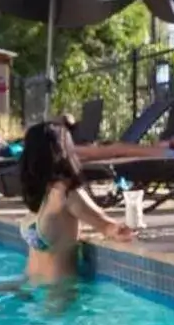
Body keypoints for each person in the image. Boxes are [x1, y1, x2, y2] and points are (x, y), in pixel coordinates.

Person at [17, 118, 133, 282]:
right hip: (32, 285)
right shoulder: (45, 193)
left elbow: (104, 224)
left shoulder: (68, 194)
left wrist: (118, 230)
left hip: (59, 294)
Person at [72, 56, 174, 162]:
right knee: (117, 148)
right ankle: (78, 154)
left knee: (121, 149)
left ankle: (74, 152)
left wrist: (170, 144)